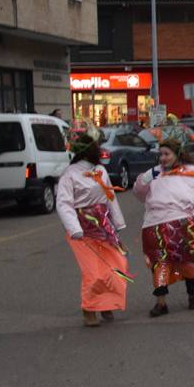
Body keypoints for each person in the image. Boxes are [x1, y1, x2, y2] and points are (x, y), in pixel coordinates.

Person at [133, 126, 194, 317]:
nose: (162, 158)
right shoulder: (154, 174)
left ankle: (193, 294)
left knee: (188, 261)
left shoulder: (193, 172)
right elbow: (139, 194)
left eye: (167, 154)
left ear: (177, 154)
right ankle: (161, 302)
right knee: (159, 263)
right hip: (156, 226)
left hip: (186, 225)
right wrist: (143, 180)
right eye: (160, 154)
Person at [56, 122, 130, 327]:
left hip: (104, 228)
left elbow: (110, 196)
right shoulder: (69, 175)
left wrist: (118, 223)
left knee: (116, 266)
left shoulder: (100, 171)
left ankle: (106, 303)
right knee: (93, 272)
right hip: (83, 231)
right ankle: (89, 309)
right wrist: (75, 228)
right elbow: (63, 203)